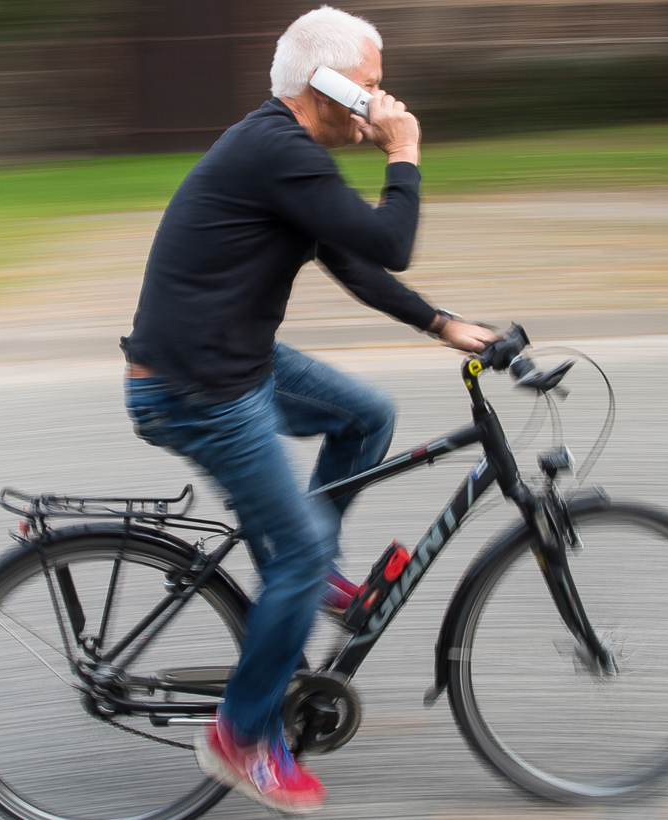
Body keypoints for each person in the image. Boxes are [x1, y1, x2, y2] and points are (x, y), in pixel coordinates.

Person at [121, 6, 496, 814]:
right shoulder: (276, 151)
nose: (381, 98)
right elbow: (388, 239)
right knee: (289, 560)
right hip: (196, 390)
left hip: (232, 364)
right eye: (369, 85)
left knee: (365, 415)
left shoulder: (281, 154)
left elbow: (355, 258)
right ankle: (241, 737)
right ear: (321, 85)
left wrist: (437, 322)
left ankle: (305, 565)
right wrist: (405, 152)